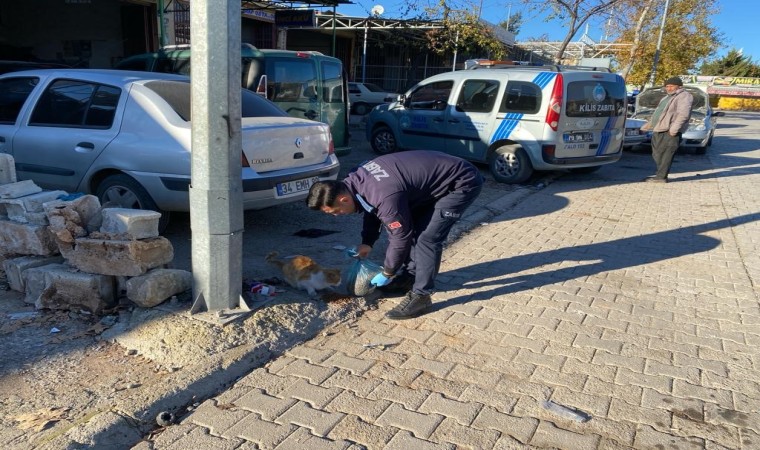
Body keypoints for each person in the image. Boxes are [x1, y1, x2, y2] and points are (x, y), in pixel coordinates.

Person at [306, 150, 483, 320]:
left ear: (343, 199)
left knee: (427, 239)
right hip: (430, 180)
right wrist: (367, 242)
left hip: (461, 182)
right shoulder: (354, 181)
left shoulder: (384, 195)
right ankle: (410, 277)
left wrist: (388, 271)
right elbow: (371, 208)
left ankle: (422, 295)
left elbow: (400, 237)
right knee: (414, 227)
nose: (336, 215)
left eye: (334, 211)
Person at [640, 76, 693, 183]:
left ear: (679, 86)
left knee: (666, 154)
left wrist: (674, 130)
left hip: (670, 130)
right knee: (657, 153)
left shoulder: (684, 96)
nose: (668, 88)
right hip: (659, 129)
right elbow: (659, 113)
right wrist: (649, 124)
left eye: (671, 86)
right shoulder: (666, 97)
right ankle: (660, 174)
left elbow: (683, 114)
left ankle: (661, 177)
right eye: (667, 86)